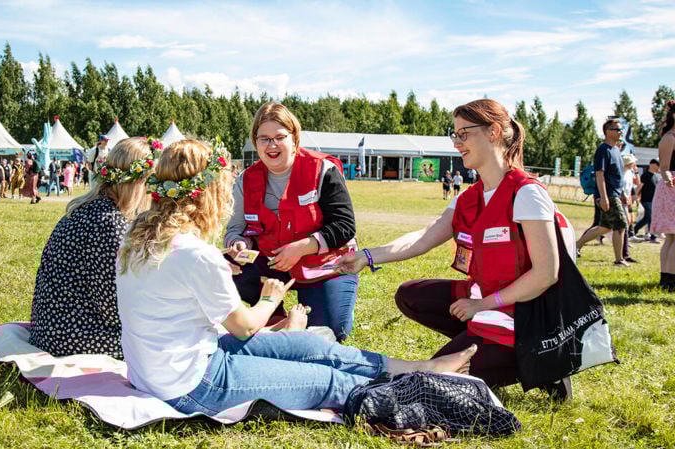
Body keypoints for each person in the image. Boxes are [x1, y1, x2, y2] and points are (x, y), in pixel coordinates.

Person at [115, 139, 477, 415]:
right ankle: (426, 392)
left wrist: (222, 269)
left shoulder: (137, 240)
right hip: (194, 383)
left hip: (164, 368)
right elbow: (243, 327)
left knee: (309, 347)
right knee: (329, 381)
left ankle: (422, 368)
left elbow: (174, 292)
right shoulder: (195, 254)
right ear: (208, 194)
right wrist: (271, 300)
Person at [337, 99, 577, 400]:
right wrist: (367, 256)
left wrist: (483, 304)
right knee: (412, 295)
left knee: (425, 381)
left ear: (493, 132)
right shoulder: (470, 197)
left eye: (464, 134)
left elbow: (546, 273)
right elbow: (424, 238)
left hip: (527, 318)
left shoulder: (526, 193)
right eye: (455, 135)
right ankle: (485, 348)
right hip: (489, 305)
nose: (457, 143)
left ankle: (539, 361)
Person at [224, 102, 359, 341]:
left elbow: (345, 226)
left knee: (328, 333)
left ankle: (300, 316)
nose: (272, 145)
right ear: (255, 142)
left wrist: (302, 247)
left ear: (294, 138)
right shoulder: (246, 179)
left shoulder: (322, 169)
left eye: (279, 137)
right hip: (273, 261)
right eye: (264, 138)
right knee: (223, 265)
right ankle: (273, 316)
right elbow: (236, 229)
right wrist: (238, 243)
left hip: (324, 265)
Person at [29, 137, 157, 358]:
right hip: (76, 339)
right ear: (139, 183)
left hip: (49, 329)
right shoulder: (110, 223)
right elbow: (113, 310)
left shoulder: (86, 209)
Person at [575, 119, 629, 266]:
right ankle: (619, 259)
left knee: (605, 227)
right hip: (608, 195)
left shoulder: (616, 150)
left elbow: (618, 175)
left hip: (616, 193)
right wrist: (604, 197)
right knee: (621, 225)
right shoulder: (603, 150)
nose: (620, 132)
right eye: (617, 129)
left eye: (620, 129)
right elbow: (600, 174)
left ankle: (576, 245)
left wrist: (623, 193)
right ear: (607, 131)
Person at [651, 100, 675, 291]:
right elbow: (665, 167)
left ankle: (667, 279)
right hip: (672, 188)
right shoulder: (670, 138)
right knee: (672, 236)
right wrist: (668, 180)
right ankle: (669, 279)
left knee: (671, 237)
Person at [634, 159, 660, 243]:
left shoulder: (656, 176)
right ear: (652, 165)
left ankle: (634, 230)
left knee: (646, 218)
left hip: (653, 200)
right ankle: (653, 236)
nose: (659, 167)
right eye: (658, 165)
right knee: (651, 217)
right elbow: (640, 186)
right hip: (646, 200)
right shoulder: (645, 176)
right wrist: (635, 196)